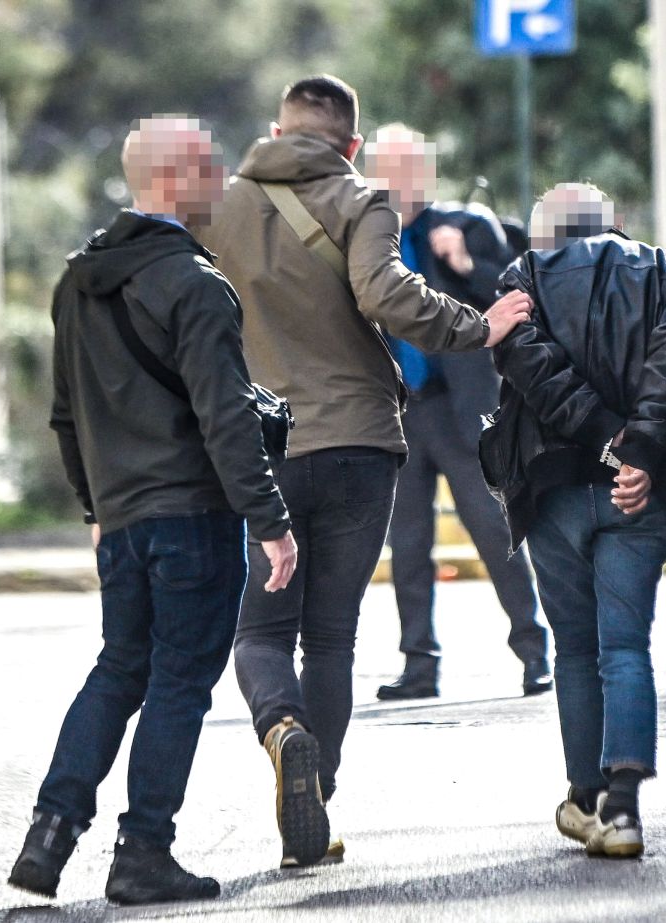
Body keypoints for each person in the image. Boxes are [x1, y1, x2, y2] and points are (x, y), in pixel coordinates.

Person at [196, 75, 532, 868]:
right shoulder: (362, 199)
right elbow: (386, 294)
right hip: (360, 444)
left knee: (261, 629)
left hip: (265, 447)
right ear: (351, 143)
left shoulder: (221, 207)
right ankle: (316, 796)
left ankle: (282, 728)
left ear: (276, 131)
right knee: (331, 637)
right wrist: (477, 326)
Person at [8, 117, 298, 905]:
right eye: (211, 168)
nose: (222, 182)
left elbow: (64, 416)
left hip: (123, 519)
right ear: (174, 178)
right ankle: (143, 850)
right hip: (193, 513)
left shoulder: (78, 281)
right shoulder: (195, 283)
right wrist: (271, 519)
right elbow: (226, 417)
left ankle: (50, 833)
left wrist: (95, 508)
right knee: (179, 682)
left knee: (119, 667)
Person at [489, 184, 666, 858]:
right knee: (626, 647)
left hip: (554, 488)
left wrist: (604, 438)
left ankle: (584, 796)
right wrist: (636, 452)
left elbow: (532, 368)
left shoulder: (523, 279)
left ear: (544, 233)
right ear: (614, 224)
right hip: (638, 494)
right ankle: (623, 808)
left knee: (575, 649)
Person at [362, 124, 551, 701]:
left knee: (495, 530)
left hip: (461, 409)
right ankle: (419, 665)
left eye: (412, 170)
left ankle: (534, 650)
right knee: (408, 544)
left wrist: (466, 262)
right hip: (397, 412)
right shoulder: (364, 239)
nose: (403, 181)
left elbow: (521, 297)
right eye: (391, 170)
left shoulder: (467, 224)